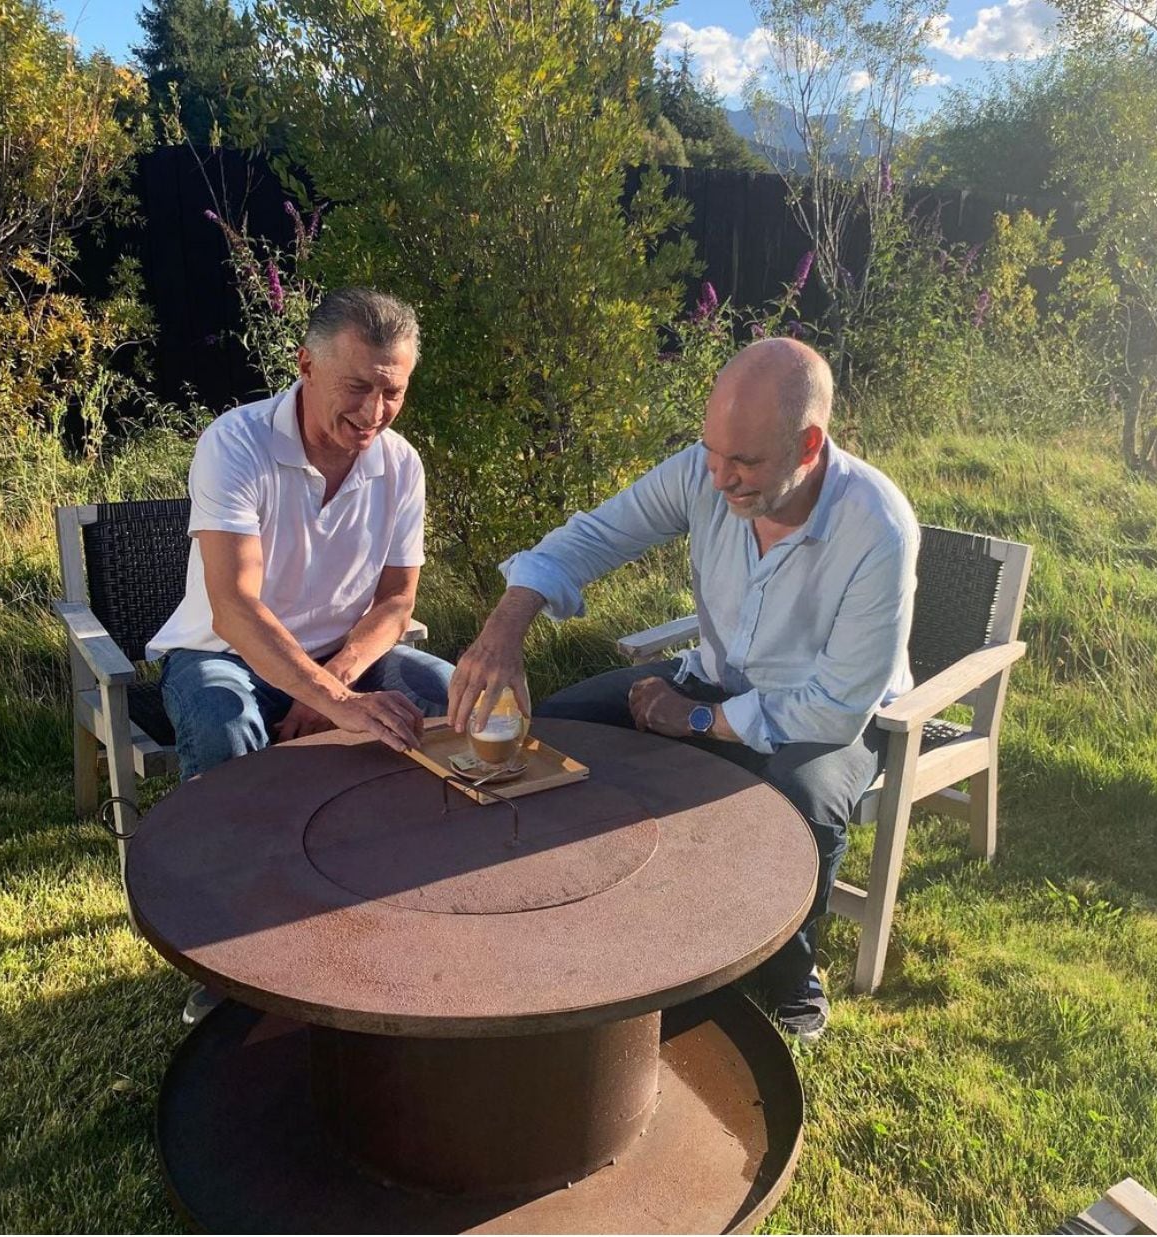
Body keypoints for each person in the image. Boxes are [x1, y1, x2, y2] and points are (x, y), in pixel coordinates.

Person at [448, 337, 918, 1041]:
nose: (721, 479)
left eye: (747, 462)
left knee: (804, 800)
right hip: (714, 676)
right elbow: (589, 538)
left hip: (827, 717)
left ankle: (789, 972)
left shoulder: (877, 528)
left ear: (810, 443)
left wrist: (697, 719)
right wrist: (504, 629)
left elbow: (838, 703)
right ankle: (590, 914)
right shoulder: (705, 474)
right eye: (712, 453)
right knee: (565, 724)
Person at [149, 288, 454, 780]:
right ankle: (229, 855)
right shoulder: (236, 445)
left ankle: (409, 846)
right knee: (222, 725)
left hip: (345, 656)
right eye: (357, 386)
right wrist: (335, 700)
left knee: (449, 696)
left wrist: (334, 683)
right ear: (307, 365)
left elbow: (397, 601)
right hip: (227, 655)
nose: (374, 412)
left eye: (392, 392)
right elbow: (233, 608)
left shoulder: (401, 464)